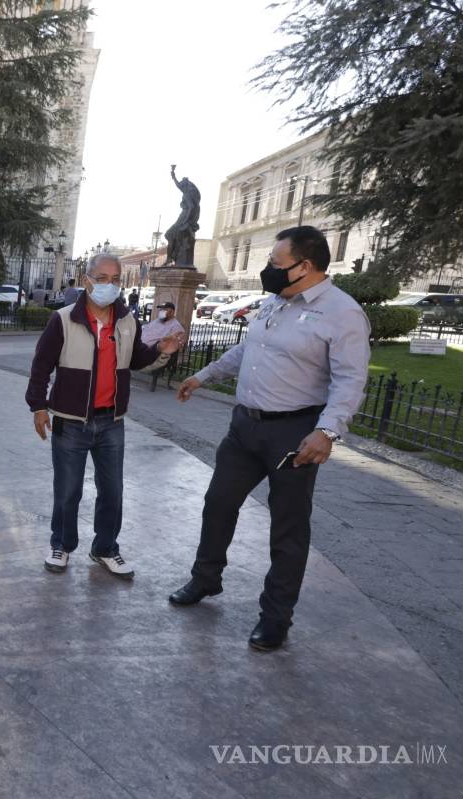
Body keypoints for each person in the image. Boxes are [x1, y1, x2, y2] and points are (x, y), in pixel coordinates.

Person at [170, 226, 370, 652]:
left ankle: (275, 618)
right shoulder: (275, 302)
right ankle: (205, 580)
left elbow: (350, 380)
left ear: (306, 266)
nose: (268, 271)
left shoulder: (342, 313)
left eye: (276, 264)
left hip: (293, 434)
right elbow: (248, 351)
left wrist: (328, 431)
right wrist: (203, 375)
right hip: (245, 426)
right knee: (218, 503)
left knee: (288, 529)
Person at [26, 253, 184, 578]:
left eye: (115, 279)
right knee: (68, 490)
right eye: (102, 278)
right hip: (71, 421)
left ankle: (106, 548)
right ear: (87, 280)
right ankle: (62, 544)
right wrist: (38, 406)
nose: (109, 285)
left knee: (113, 491)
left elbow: (136, 359)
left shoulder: (127, 321)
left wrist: (160, 353)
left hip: (111, 422)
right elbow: (41, 366)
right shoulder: (64, 319)